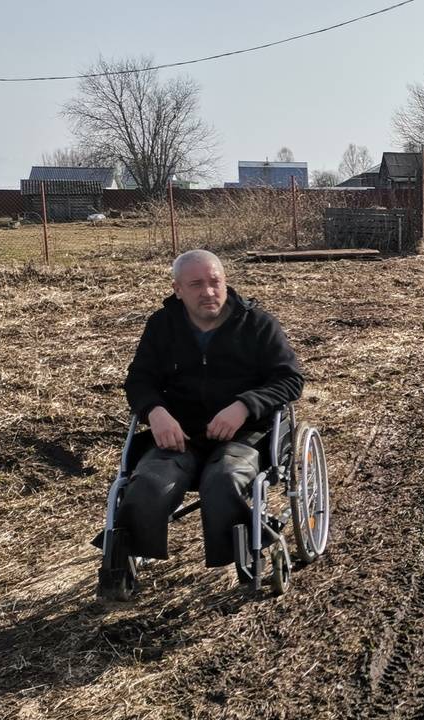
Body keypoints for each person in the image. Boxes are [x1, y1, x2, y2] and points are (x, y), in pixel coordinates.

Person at [98, 249, 303, 599]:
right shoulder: (163, 326)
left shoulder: (256, 324)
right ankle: (120, 565)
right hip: (180, 435)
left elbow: (289, 380)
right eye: (196, 284)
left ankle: (248, 555)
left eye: (215, 282)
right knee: (147, 483)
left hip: (244, 435)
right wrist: (156, 413)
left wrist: (244, 406)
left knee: (223, 480)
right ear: (177, 289)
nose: (208, 292)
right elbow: (139, 381)